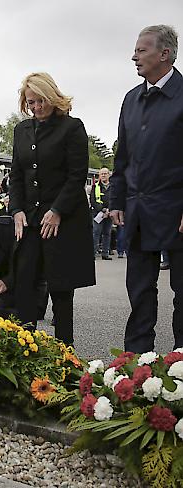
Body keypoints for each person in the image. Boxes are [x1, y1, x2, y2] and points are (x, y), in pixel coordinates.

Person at [110, 25, 183, 352]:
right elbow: (122, 156)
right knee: (139, 291)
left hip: (176, 211)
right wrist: (117, 200)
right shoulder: (131, 99)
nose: (134, 56)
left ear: (164, 54)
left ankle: (181, 364)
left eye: (141, 50)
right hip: (138, 210)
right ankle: (136, 363)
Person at [9, 72, 95, 345]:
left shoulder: (72, 127)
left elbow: (77, 174)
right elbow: (16, 175)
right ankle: (25, 350)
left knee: (60, 288)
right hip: (30, 219)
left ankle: (64, 351)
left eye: (40, 101)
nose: (36, 108)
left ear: (52, 97)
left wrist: (58, 210)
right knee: (24, 282)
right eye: (30, 103)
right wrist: (16, 210)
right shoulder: (21, 131)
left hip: (63, 217)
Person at [91, 167, 113, 260]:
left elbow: (115, 198)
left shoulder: (113, 186)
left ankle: (105, 253)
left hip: (109, 213)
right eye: (102, 174)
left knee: (107, 233)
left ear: (109, 174)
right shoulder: (95, 186)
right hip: (98, 214)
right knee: (96, 233)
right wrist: (102, 209)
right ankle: (93, 253)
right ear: (99, 175)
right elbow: (93, 200)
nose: (103, 175)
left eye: (105, 173)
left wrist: (109, 210)